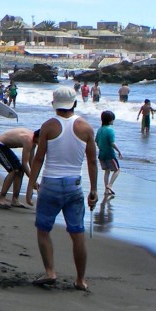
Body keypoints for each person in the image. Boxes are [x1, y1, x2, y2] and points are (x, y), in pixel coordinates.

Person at [26, 87, 98, 291]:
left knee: (43, 229)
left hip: (51, 183)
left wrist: (31, 185)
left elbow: (39, 158)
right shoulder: (86, 127)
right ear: (74, 103)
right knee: (77, 233)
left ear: (55, 104)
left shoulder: (48, 126)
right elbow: (92, 161)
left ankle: (50, 271)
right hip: (74, 184)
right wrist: (94, 190)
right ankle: (80, 280)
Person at [0, 126, 36, 208]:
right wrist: (32, 181)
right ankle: (1, 198)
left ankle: (15, 200)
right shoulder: (29, 140)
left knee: (20, 171)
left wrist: (34, 179)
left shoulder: (33, 142)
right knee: (14, 170)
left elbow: (31, 161)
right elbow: (25, 163)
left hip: (4, 147)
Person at [95, 110, 122, 199]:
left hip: (101, 154)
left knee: (106, 171)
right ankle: (110, 185)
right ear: (110, 120)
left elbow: (97, 141)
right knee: (117, 170)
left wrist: (101, 148)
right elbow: (112, 143)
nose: (113, 121)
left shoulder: (100, 129)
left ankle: (106, 190)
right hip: (110, 154)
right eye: (113, 119)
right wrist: (119, 151)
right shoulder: (110, 130)